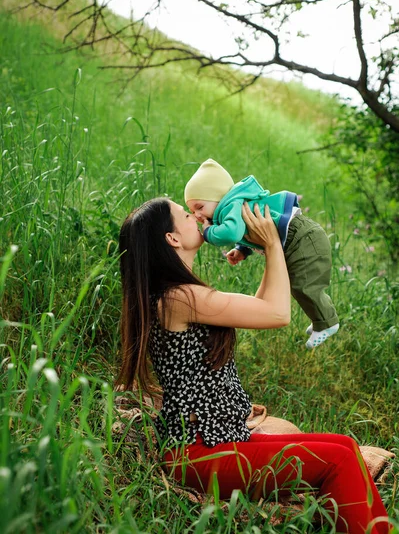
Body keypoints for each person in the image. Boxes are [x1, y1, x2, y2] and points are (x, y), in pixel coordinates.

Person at [117, 197, 391, 534]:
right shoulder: (179, 298)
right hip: (200, 454)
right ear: (172, 238)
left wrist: (264, 248)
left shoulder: (180, 294)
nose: (197, 217)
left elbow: (263, 307)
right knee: (341, 461)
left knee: (345, 447)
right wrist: (273, 242)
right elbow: (278, 314)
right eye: (186, 214)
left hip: (222, 440)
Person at [184, 158, 339, 350]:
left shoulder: (229, 205)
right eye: (192, 211)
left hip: (302, 238)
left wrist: (208, 233)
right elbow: (248, 229)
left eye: (200, 207)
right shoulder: (234, 206)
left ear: (219, 197)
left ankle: (327, 322)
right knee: (298, 283)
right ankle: (320, 319)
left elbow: (231, 232)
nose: (197, 215)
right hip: (299, 239)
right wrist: (242, 250)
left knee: (303, 284)